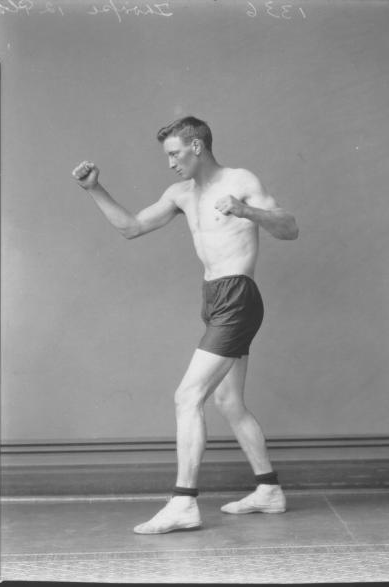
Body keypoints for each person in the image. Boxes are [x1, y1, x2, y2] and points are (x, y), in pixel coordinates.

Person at [72, 116, 299, 534]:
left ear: (196, 146)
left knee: (187, 396)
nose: (171, 163)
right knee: (228, 401)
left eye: (174, 153)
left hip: (238, 296)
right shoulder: (180, 194)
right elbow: (131, 228)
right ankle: (269, 491)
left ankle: (184, 502)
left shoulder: (240, 179)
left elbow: (290, 228)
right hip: (213, 298)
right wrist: (94, 190)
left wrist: (244, 209)